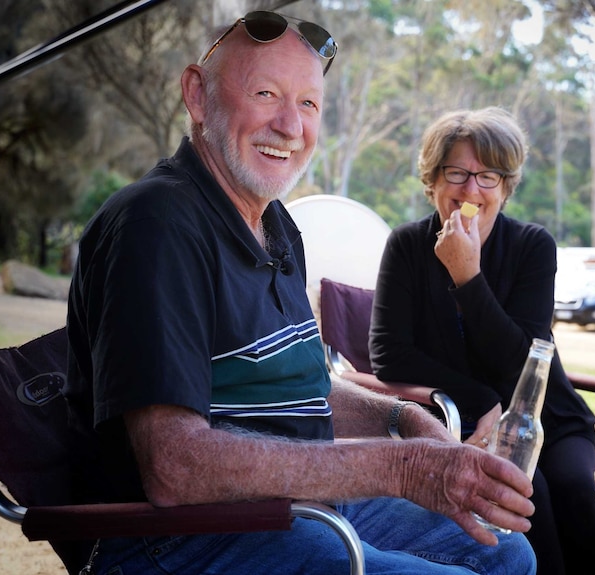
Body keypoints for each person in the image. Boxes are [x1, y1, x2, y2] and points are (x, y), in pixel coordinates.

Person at [64, 12, 537, 575]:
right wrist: (402, 468)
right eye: (265, 93)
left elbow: (305, 390)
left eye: (308, 104)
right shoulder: (158, 223)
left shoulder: (275, 224)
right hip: (180, 538)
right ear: (197, 95)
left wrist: (401, 420)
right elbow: (175, 466)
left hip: (293, 511)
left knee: (507, 553)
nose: (291, 126)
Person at [369, 107, 595, 574]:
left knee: (574, 487)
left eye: (488, 177)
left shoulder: (533, 246)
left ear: (506, 186)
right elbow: (388, 353)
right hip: (463, 423)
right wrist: (481, 400)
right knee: (522, 487)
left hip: (550, 417)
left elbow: (525, 360)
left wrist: (467, 275)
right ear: (433, 180)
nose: (471, 190)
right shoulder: (406, 246)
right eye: (457, 172)